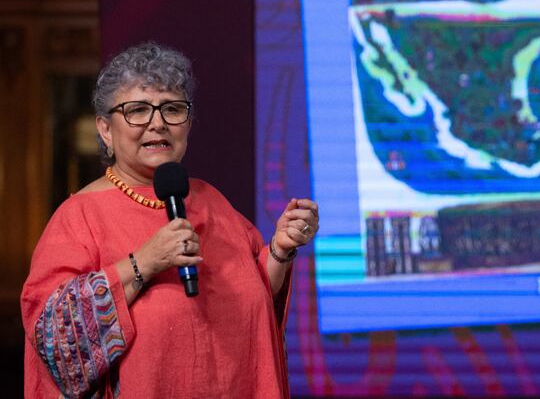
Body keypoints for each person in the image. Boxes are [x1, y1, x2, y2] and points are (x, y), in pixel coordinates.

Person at [20, 42, 318, 398]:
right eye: (138, 111)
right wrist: (143, 262)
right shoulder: (79, 217)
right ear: (104, 129)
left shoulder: (210, 200)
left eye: (172, 109)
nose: (157, 123)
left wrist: (280, 251)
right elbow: (55, 342)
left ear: (188, 123)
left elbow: (250, 302)